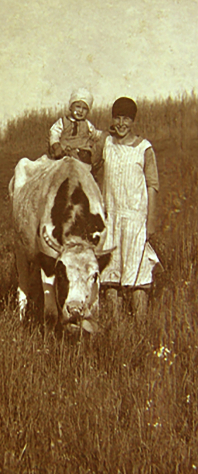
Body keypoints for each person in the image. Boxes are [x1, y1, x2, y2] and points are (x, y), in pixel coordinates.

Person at [100, 97, 160, 321]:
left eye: (126, 118)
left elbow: (152, 186)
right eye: (117, 117)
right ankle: (116, 327)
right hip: (111, 218)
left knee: (138, 274)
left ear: (133, 121)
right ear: (112, 119)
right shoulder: (106, 144)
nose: (122, 123)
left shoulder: (144, 149)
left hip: (136, 220)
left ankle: (140, 326)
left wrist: (150, 222)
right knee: (110, 274)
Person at [49, 88, 102, 165]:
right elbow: (54, 133)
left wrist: (105, 134)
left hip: (82, 154)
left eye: (84, 109)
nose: (80, 111)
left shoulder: (87, 124)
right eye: (78, 107)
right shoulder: (63, 122)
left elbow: (96, 134)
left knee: (87, 162)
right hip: (65, 152)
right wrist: (56, 146)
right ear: (71, 107)